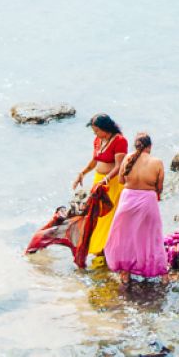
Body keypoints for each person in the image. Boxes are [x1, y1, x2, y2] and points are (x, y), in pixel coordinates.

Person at [104, 133, 168, 284]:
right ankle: (163, 274)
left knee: (125, 237)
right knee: (152, 237)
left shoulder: (127, 158)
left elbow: (120, 180)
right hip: (147, 201)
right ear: (150, 146)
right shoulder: (157, 162)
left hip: (127, 200)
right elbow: (159, 188)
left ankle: (125, 272)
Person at [73, 114, 129, 266]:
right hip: (99, 181)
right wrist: (82, 173)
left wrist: (106, 179)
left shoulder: (119, 141)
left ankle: (105, 248)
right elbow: (94, 161)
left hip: (112, 183)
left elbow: (119, 166)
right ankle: (97, 247)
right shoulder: (98, 140)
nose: (95, 134)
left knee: (107, 216)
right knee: (95, 216)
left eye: (97, 130)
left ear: (106, 128)